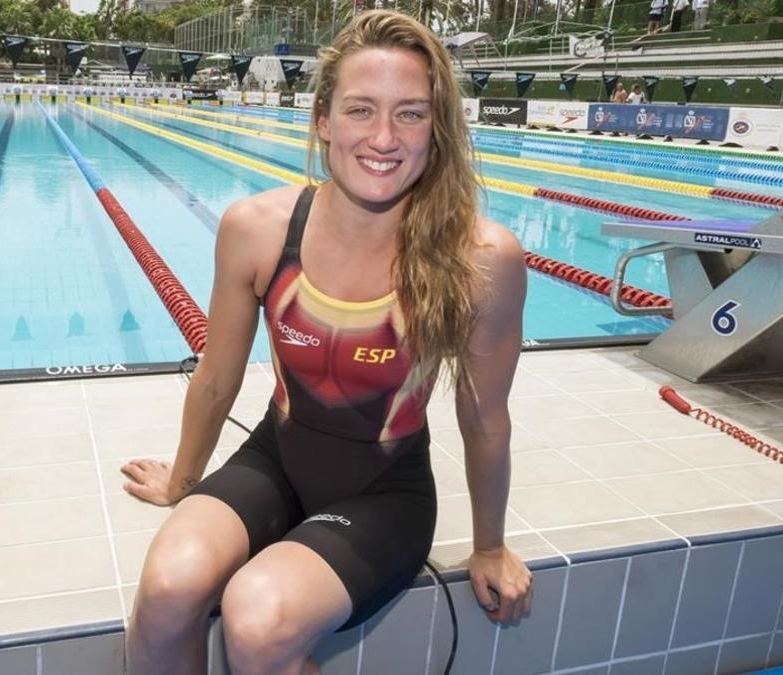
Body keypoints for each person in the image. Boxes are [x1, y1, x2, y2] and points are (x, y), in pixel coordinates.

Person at [122, 10, 532, 675]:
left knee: (257, 614)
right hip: (275, 461)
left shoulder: (481, 258)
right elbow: (218, 378)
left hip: (384, 492)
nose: (382, 137)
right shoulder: (257, 228)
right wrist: (183, 479)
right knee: (169, 585)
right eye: (361, 109)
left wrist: (490, 544)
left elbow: (484, 417)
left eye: (411, 114)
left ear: (439, 130)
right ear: (323, 121)